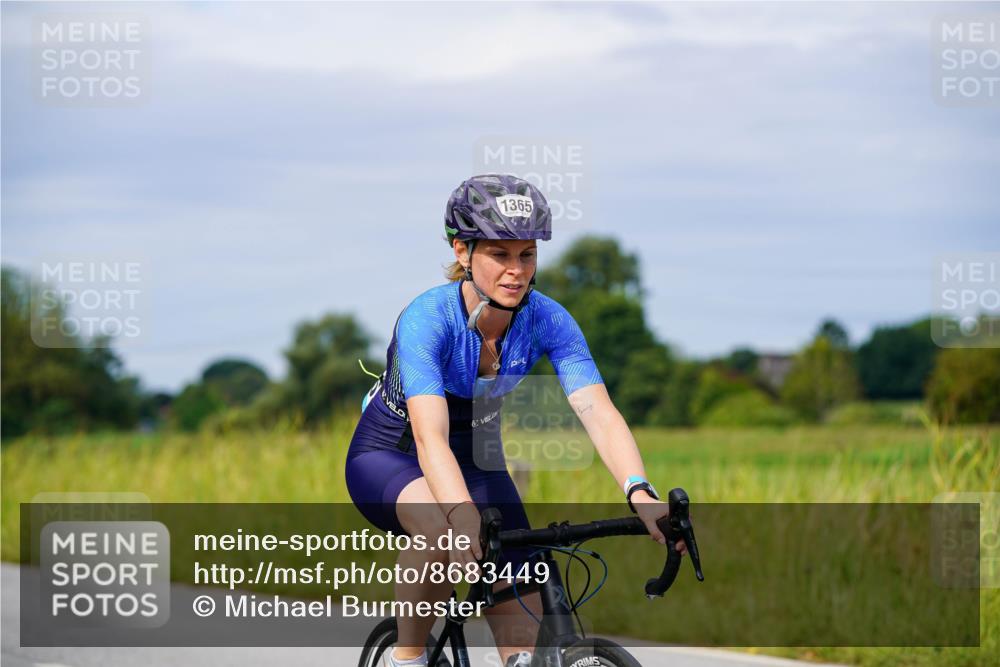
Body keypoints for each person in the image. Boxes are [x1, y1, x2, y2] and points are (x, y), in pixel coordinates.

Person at [345, 174, 685, 667]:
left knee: (523, 584)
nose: (516, 270)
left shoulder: (548, 318)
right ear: (463, 252)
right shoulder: (427, 318)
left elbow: (596, 410)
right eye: (499, 255)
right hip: (393, 452)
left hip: (477, 459)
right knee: (441, 532)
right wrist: (461, 516)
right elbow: (429, 437)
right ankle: (407, 658)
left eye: (526, 255)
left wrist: (640, 491)